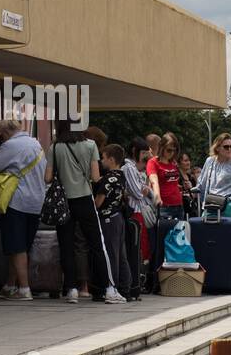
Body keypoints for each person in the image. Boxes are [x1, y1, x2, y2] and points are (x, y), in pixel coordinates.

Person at [47, 118, 127, 304]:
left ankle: (71, 289)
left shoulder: (55, 147)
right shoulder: (90, 145)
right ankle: (109, 288)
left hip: (64, 202)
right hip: (85, 199)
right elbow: (96, 176)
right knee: (97, 244)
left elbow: (48, 177)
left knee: (67, 246)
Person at [0, 119, 46, 301]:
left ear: (4, 133)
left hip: (16, 201)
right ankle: (10, 285)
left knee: (16, 247)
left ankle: (24, 289)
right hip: (36, 202)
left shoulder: (11, 145)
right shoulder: (36, 144)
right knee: (21, 246)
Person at [94, 144, 132, 305]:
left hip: (108, 219)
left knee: (110, 254)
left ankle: (112, 288)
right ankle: (125, 288)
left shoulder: (109, 178)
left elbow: (98, 203)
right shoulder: (121, 176)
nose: (101, 161)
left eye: (103, 158)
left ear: (111, 159)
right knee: (121, 255)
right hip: (118, 218)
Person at [195, 133, 231, 219]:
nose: (229, 149)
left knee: (226, 231)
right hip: (211, 204)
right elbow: (203, 182)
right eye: (226, 147)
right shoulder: (210, 161)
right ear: (217, 148)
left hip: (228, 206)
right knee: (207, 231)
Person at [121, 137, 153, 268]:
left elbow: (147, 192)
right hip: (134, 213)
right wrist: (144, 190)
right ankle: (138, 279)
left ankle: (141, 277)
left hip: (140, 212)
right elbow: (138, 193)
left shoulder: (135, 169)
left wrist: (144, 189)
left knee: (143, 247)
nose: (146, 156)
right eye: (144, 152)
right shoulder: (128, 168)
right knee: (138, 247)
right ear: (135, 151)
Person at [147, 132, 191, 222]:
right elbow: (154, 180)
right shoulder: (153, 162)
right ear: (162, 147)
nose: (172, 153)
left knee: (178, 235)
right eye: (169, 150)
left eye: (174, 150)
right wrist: (157, 195)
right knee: (164, 235)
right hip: (164, 207)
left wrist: (184, 186)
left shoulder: (174, 163)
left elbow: (172, 183)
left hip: (179, 206)